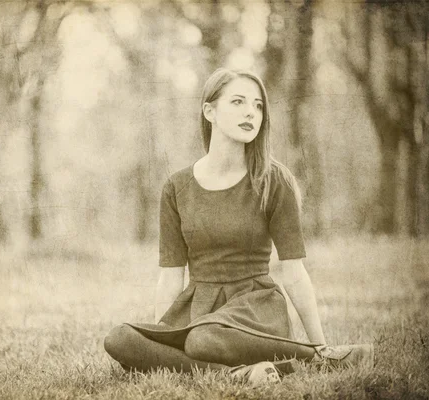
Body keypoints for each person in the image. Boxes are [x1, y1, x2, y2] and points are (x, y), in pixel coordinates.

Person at [104, 68, 374, 386]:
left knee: (203, 339)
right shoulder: (176, 187)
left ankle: (314, 359)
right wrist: (161, 336)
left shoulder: (274, 181)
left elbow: (294, 273)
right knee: (120, 338)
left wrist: (321, 345)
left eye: (258, 105)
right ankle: (240, 374)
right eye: (238, 102)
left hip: (256, 309)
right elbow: (171, 275)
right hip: (198, 307)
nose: (251, 112)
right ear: (210, 111)